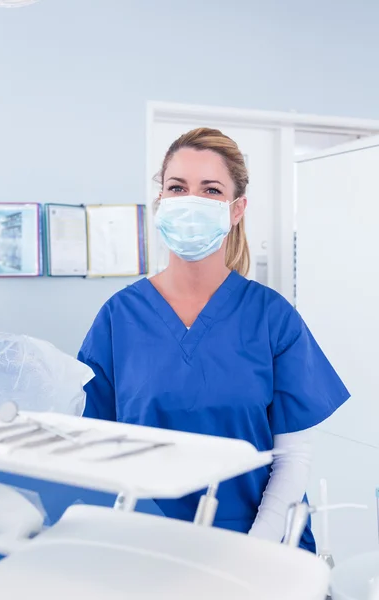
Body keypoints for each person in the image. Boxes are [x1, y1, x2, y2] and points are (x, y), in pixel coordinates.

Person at [78, 127, 349, 552]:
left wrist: (253, 549)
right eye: (177, 187)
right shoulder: (119, 317)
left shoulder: (272, 318)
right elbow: (95, 447)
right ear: (160, 202)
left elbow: (293, 458)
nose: (191, 201)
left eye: (210, 190)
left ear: (236, 209)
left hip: (262, 544)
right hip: (149, 545)